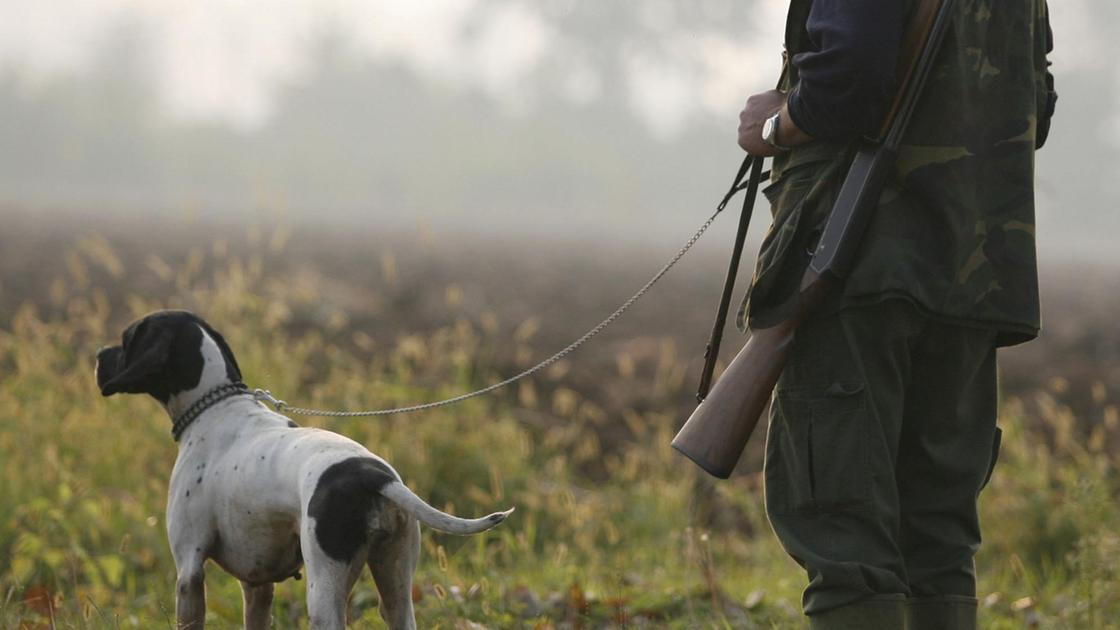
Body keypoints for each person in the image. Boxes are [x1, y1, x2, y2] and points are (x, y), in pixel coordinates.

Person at [734, 1, 1057, 629]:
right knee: (937, 544)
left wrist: (774, 126)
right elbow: (1032, 103)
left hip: (855, 267)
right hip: (975, 268)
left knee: (846, 537)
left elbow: (848, 82)